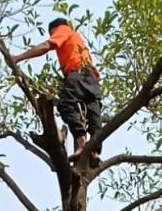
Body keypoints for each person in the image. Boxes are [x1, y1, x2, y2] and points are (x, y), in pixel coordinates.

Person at [11, 18, 102, 165]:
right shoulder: (77, 40)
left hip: (77, 72)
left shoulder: (63, 30)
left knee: (65, 104)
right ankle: (94, 152)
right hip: (92, 78)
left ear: (55, 29)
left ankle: (82, 145)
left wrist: (18, 58)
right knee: (93, 115)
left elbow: (47, 45)